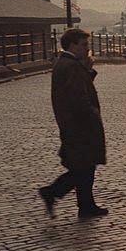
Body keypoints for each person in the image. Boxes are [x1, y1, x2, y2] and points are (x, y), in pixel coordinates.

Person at [39, 27, 108, 220]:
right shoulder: (71, 66)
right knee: (83, 167)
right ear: (72, 45)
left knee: (84, 166)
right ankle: (53, 192)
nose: (87, 49)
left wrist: (86, 69)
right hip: (79, 124)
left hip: (73, 123)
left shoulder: (67, 64)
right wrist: (91, 114)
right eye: (84, 44)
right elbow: (79, 97)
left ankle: (85, 204)